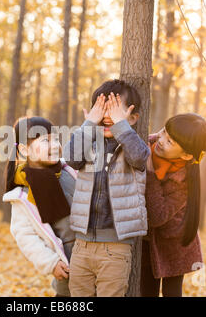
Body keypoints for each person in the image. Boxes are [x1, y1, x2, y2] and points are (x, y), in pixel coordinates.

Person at [63, 79, 150, 297]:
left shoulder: (133, 146)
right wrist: (89, 124)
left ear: (133, 117)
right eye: (102, 110)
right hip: (81, 245)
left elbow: (139, 158)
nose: (108, 116)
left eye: (116, 110)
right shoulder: (88, 144)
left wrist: (121, 125)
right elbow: (71, 159)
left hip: (116, 247)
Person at [3, 116, 77, 297]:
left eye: (56, 139)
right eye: (45, 141)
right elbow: (25, 235)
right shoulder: (23, 194)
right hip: (66, 261)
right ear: (24, 149)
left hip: (92, 252)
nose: (54, 145)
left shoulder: (69, 171)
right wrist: (50, 263)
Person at [141, 113, 206, 297]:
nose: (162, 140)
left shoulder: (184, 182)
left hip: (174, 244)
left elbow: (157, 215)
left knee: (172, 292)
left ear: (187, 155)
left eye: (170, 141)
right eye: (164, 132)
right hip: (148, 241)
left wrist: (150, 173)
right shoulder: (152, 143)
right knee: (146, 291)